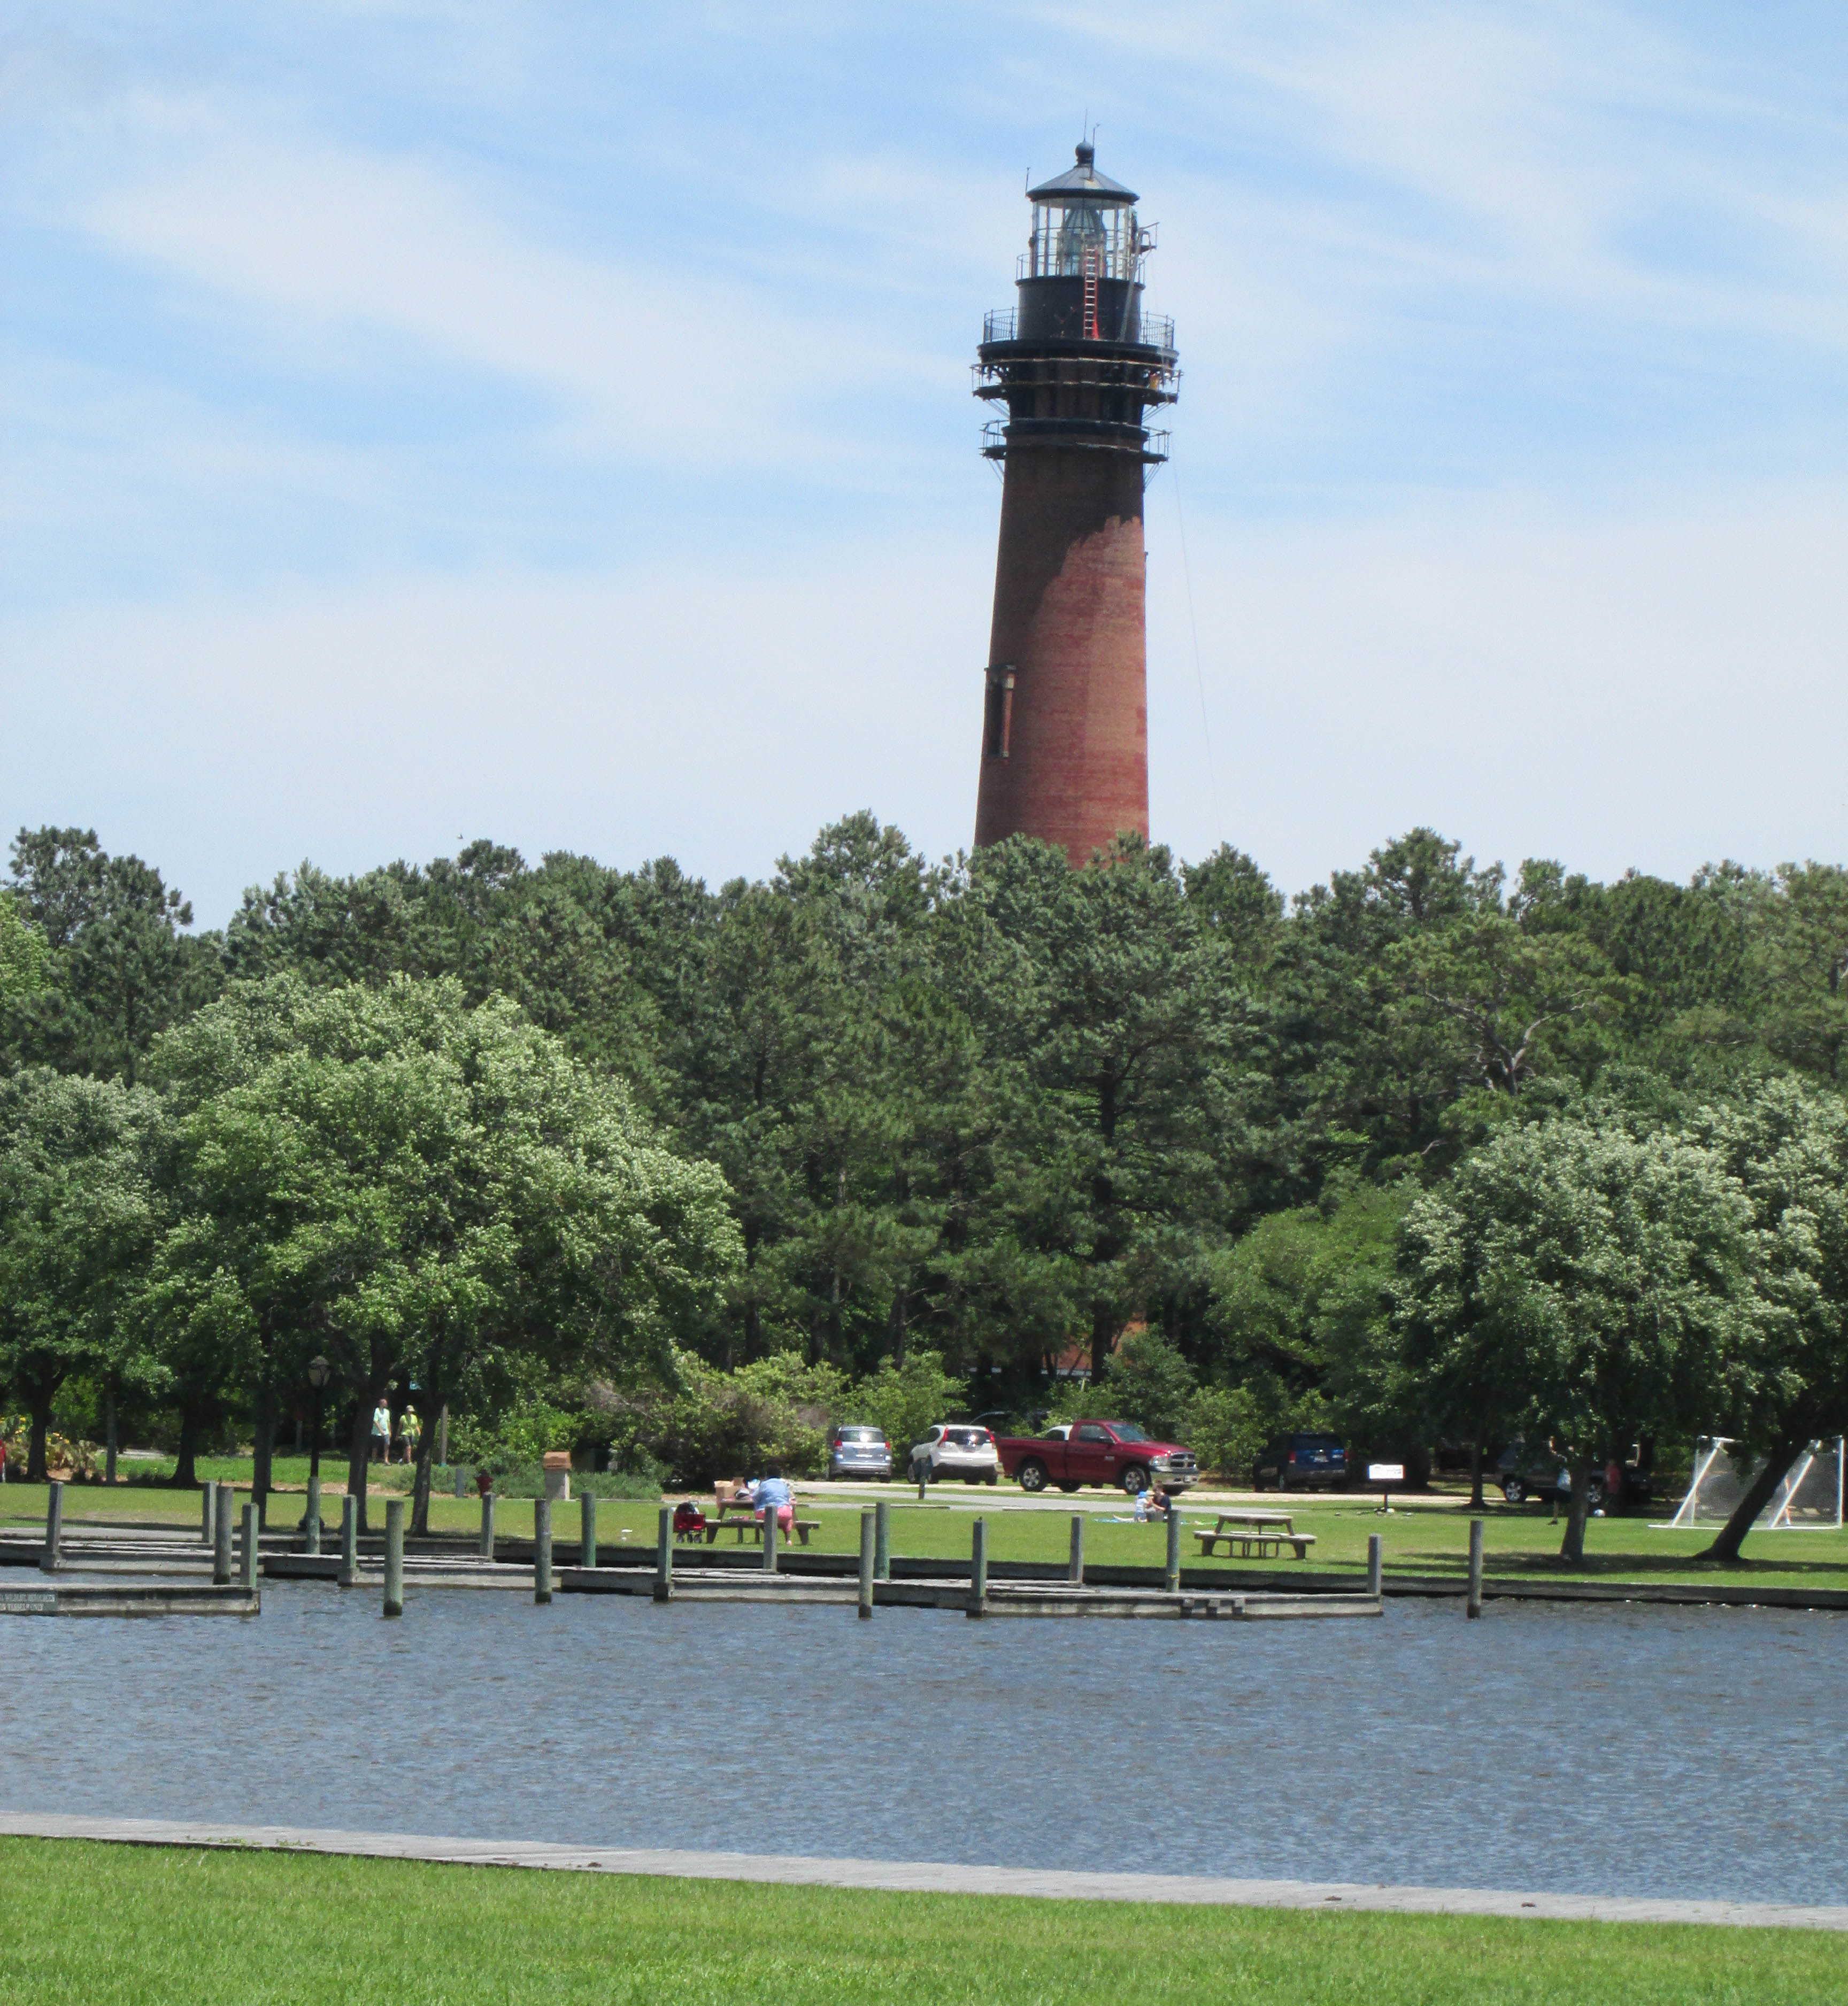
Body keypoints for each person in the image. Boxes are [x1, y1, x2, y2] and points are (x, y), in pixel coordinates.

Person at [753, 1462, 795, 1538]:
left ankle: (769, 1537)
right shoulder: (784, 1485)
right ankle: (788, 1539)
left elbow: (755, 1497)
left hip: (767, 1514)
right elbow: (787, 1498)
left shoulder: (764, 1484)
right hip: (785, 1514)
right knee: (786, 1518)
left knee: (758, 1514)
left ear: (767, 1474)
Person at [371, 1400, 391, 1464]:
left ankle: (386, 1460)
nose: (386, 1404)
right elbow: (375, 1421)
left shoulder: (387, 1412)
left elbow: (388, 1421)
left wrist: (390, 1431)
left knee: (387, 1445)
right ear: (381, 1404)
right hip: (376, 1432)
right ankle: (374, 1460)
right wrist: (380, 1430)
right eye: (385, 1403)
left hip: (386, 1432)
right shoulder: (377, 1410)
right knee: (375, 1447)